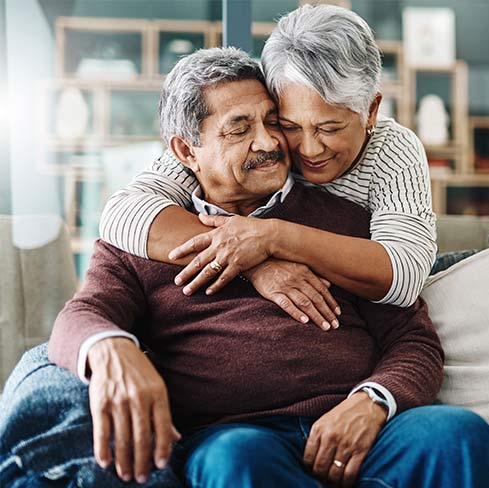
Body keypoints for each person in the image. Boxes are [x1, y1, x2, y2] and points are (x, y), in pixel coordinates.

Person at [2, 47, 489, 488]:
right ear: (187, 150)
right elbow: (78, 319)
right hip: (236, 436)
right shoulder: (144, 236)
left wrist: (373, 401)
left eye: (272, 122)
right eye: (239, 129)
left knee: (459, 435)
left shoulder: (340, 222)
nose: (270, 142)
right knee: (238, 461)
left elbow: (414, 340)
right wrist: (111, 351)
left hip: (362, 431)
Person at [99, 4, 437, 331]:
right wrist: (257, 261)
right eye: (288, 125)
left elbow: (404, 276)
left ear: (372, 111)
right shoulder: (252, 143)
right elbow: (122, 214)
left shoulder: (392, 150)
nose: (308, 149)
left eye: (328, 128)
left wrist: (273, 237)